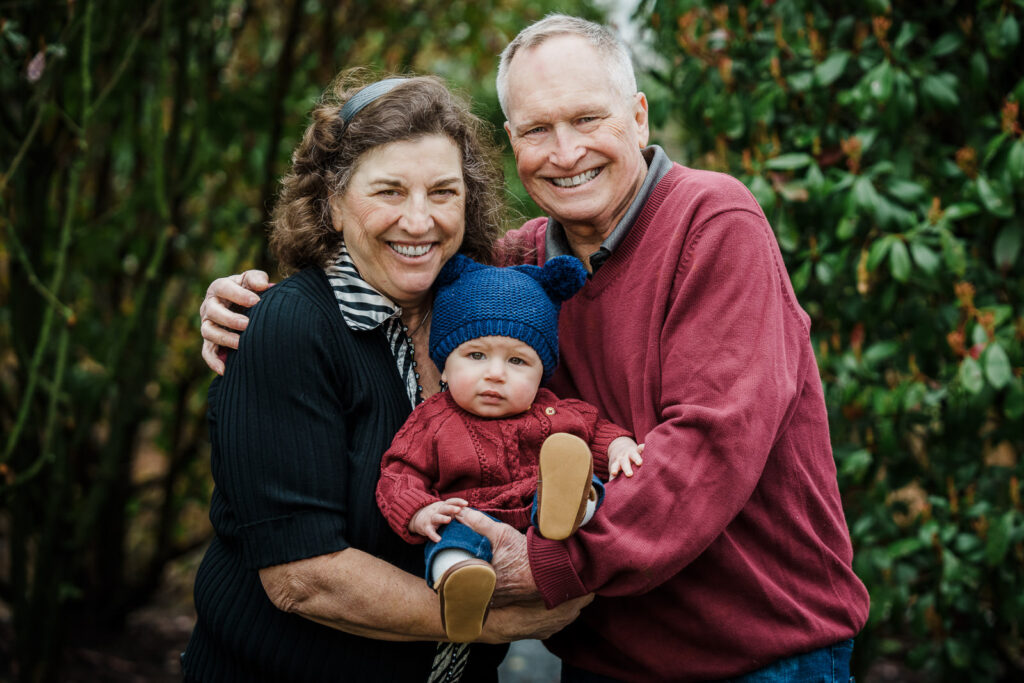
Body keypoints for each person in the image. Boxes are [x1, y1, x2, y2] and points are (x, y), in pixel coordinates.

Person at [199, 15, 871, 682]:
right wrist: (245, 304)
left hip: (754, 655)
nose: (567, 150)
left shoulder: (712, 222)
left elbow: (709, 444)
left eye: (587, 119)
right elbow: (387, 265)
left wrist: (554, 561)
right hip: (607, 657)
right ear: (513, 142)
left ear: (638, 117)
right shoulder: (513, 273)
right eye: (538, 130)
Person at [183, 72, 591, 683]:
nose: (420, 221)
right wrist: (488, 623)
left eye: (443, 192)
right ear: (331, 202)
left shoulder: (481, 311)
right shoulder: (292, 328)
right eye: (390, 192)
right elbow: (303, 578)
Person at [376, 253, 643, 644]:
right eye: (476, 355)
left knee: (584, 478)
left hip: (540, 522)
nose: (496, 373)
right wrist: (419, 511)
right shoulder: (431, 422)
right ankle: (460, 589)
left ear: (542, 374)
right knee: (452, 544)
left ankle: (572, 505)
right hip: (470, 519)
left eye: (518, 361)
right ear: (444, 367)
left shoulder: (555, 412)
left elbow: (598, 431)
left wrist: (620, 447)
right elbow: (398, 474)